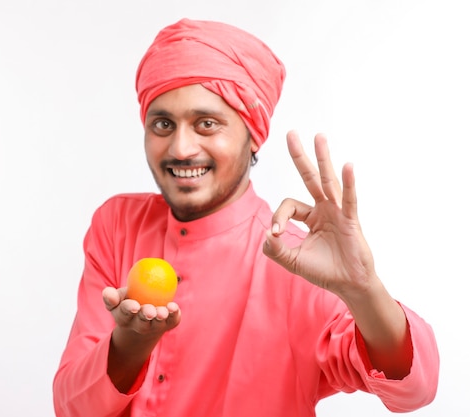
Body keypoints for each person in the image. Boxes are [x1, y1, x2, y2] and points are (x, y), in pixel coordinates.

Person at [52, 18, 439, 416]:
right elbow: (71, 407)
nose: (181, 148)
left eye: (207, 124)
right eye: (163, 124)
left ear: (253, 134)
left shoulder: (299, 259)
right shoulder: (118, 225)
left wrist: (363, 288)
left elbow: (415, 390)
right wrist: (129, 343)